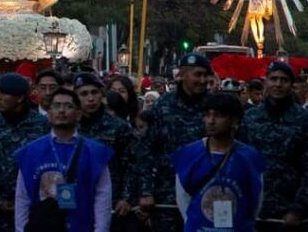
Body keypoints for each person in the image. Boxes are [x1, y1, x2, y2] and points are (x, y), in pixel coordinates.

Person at [14, 87, 113, 232]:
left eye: (68, 106)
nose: (61, 111)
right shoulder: (30, 152)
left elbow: (102, 197)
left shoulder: (95, 152)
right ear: (48, 114)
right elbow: (22, 198)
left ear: (78, 114)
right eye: (56, 106)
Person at [133, 53, 211, 230]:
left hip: (205, 191)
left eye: (206, 75)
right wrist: (146, 191)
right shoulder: (164, 106)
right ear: (182, 75)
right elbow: (147, 150)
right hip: (168, 193)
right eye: (197, 75)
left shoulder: (213, 106)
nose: (203, 80)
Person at [237, 60, 308, 227]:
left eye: (284, 80)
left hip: (289, 212)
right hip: (253, 206)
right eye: (273, 79)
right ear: (266, 81)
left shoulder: (304, 120)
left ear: (291, 84)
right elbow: (239, 161)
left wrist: (298, 209)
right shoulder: (250, 117)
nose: (278, 84)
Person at [172, 93, 266, 232]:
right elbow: (183, 198)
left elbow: (256, 199)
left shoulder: (249, 157)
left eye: (218, 115)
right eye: (208, 115)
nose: (211, 120)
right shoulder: (189, 154)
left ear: (235, 121)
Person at [0, 73, 49, 232]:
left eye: (3, 93)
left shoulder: (42, 125)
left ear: (19, 98)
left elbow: (49, 166)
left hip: (34, 208)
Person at [72, 74, 135, 225]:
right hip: (75, 199)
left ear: (102, 95)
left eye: (94, 92)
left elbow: (130, 165)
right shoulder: (70, 126)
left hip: (110, 201)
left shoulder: (118, 127)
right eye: (84, 94)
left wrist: (126, 198)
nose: (90, 98)